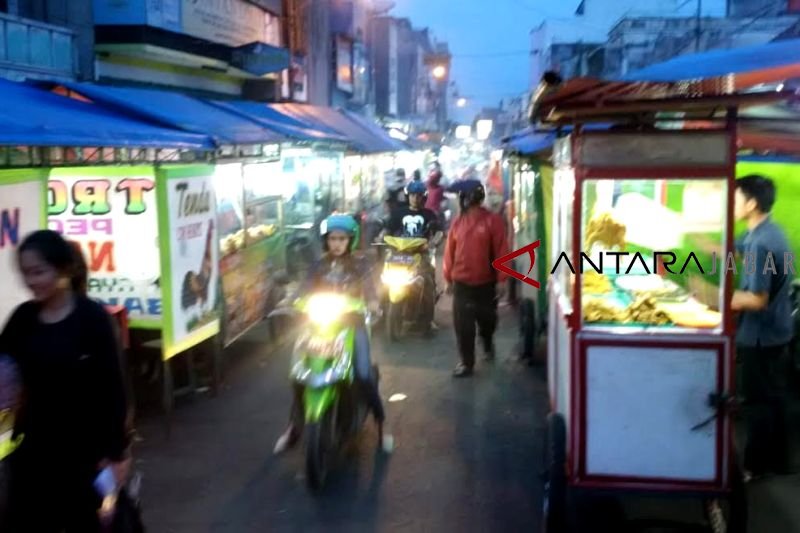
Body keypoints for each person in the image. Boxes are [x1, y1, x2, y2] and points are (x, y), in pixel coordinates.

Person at [0, 230, 131, 532]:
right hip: (34, 454)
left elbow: (114, 391)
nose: (31, 281)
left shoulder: (92, 319)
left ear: (63, 269)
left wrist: (116, 454)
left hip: (85, 457)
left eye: (38, 271)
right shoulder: (23, 319)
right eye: (25, 273)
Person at [274, 215, 389, 453]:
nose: (337, 243)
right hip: (319, 325)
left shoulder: (361, 264)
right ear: (326, 240)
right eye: (333, 239)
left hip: (352, 324)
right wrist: (290, 300)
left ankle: (381, 424)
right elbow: (304, 287)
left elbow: (369, 288)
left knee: (364, 374)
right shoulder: (318, 265)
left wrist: (373, 302)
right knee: (298, 374)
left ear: (351, 240)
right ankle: (294, 428)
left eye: (342, 239)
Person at [731, 175, 794, 481]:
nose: (732, 204)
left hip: (761, 335)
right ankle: (780, 461)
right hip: (779, 331)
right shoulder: (771, 231)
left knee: (757, 403)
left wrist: (717, 297)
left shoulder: (760, 244)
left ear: (752, 203)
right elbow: (732, 249)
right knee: (775, 397)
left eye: (736, 197)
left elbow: (757, 300)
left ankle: (753, 466)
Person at [443, 180, 509, 377]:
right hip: (461, 284)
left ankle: (487, 342)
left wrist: (502, 279)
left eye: (462, 196)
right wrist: (447, 278)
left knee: (488, 321)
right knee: (463, 326)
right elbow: (450, 252)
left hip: (486, 284)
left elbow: (501, 250)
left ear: (468, 198)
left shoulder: (493, 220)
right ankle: (466, 363)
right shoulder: (457, 222)